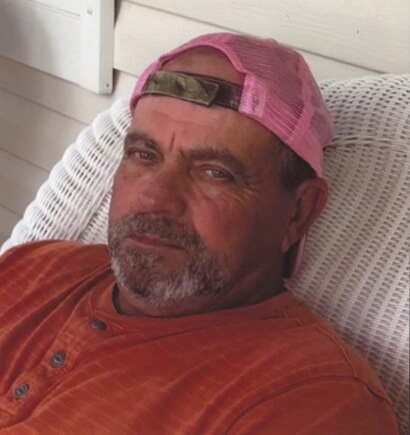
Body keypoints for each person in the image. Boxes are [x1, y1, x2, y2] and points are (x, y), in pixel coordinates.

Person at [0, 33, 399, 434]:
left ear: (298, 213)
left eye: (214, 172)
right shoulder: (34, 265)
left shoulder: (311, 401)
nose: (154, 199)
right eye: (144, 155)